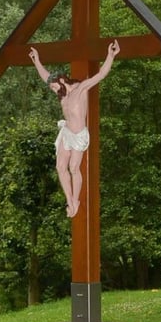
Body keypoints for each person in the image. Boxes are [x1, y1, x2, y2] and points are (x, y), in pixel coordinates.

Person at [28, 40, 120, 217]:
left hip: (78, 135)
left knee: (73, 167)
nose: (54, 90)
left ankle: (75, 199)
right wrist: (36, 61)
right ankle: (69, 200)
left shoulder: (80, 89)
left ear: (62, 80)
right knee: (60, 166)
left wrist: (110, 55)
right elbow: (46, 77)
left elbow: (100, 75)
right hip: (67, 132)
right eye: (53, 88)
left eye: (55, 86)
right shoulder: (62, 95)